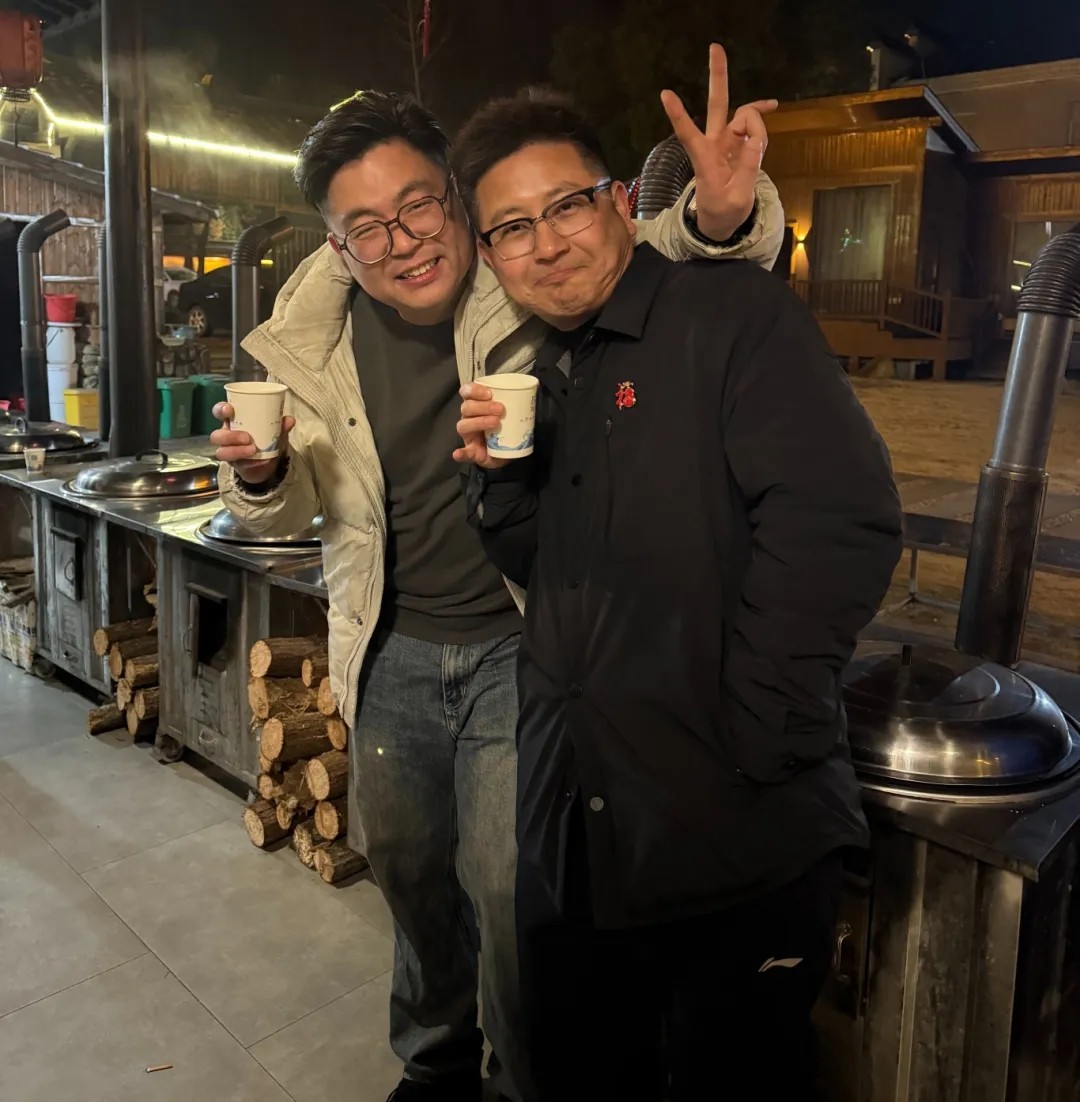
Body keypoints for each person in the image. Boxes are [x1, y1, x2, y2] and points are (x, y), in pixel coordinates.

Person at [210, 47, 784, 1102]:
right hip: (387, 646)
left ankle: (521, 1079)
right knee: (408, 870)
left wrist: (720, 216)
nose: (403, 241)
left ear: (455, 196)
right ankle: (434, 1064)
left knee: (514, 886)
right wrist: (263, 473)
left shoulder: (520, 273)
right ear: (336, 243)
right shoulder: (306, 342)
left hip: (524, 642)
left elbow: (644, 253)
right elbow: (289, 509)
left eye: (418, 206)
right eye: (367, 227)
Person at [452, 89, 904, 1101]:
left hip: (731, 837)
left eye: (565, 206)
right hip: (577, 832)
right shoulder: (552, 369)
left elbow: (841, 523)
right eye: (512, 228)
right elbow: (547, 569)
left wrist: (759, 733)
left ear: (619, 202)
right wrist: (498, 481)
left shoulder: (732, 319)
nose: (546, 244)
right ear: (490, 255)